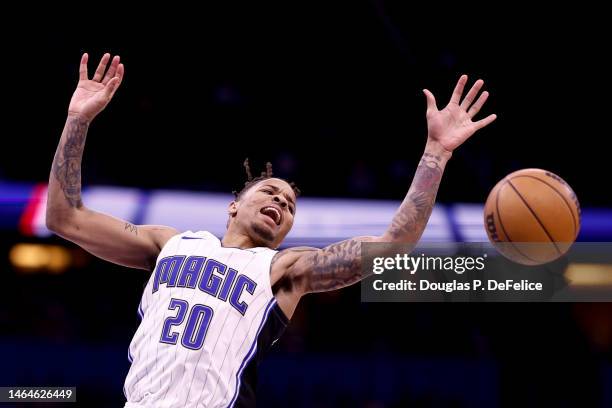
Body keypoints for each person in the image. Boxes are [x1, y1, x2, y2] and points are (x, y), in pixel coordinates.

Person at [46, 52, 496, 408]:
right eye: (270, 193)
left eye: (290, 205)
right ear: (234, 205)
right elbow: (65, 217)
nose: (281, 202)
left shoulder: (284, 267)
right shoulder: (171, 242)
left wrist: (435, 154)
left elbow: (394, 243)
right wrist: (78, 120)